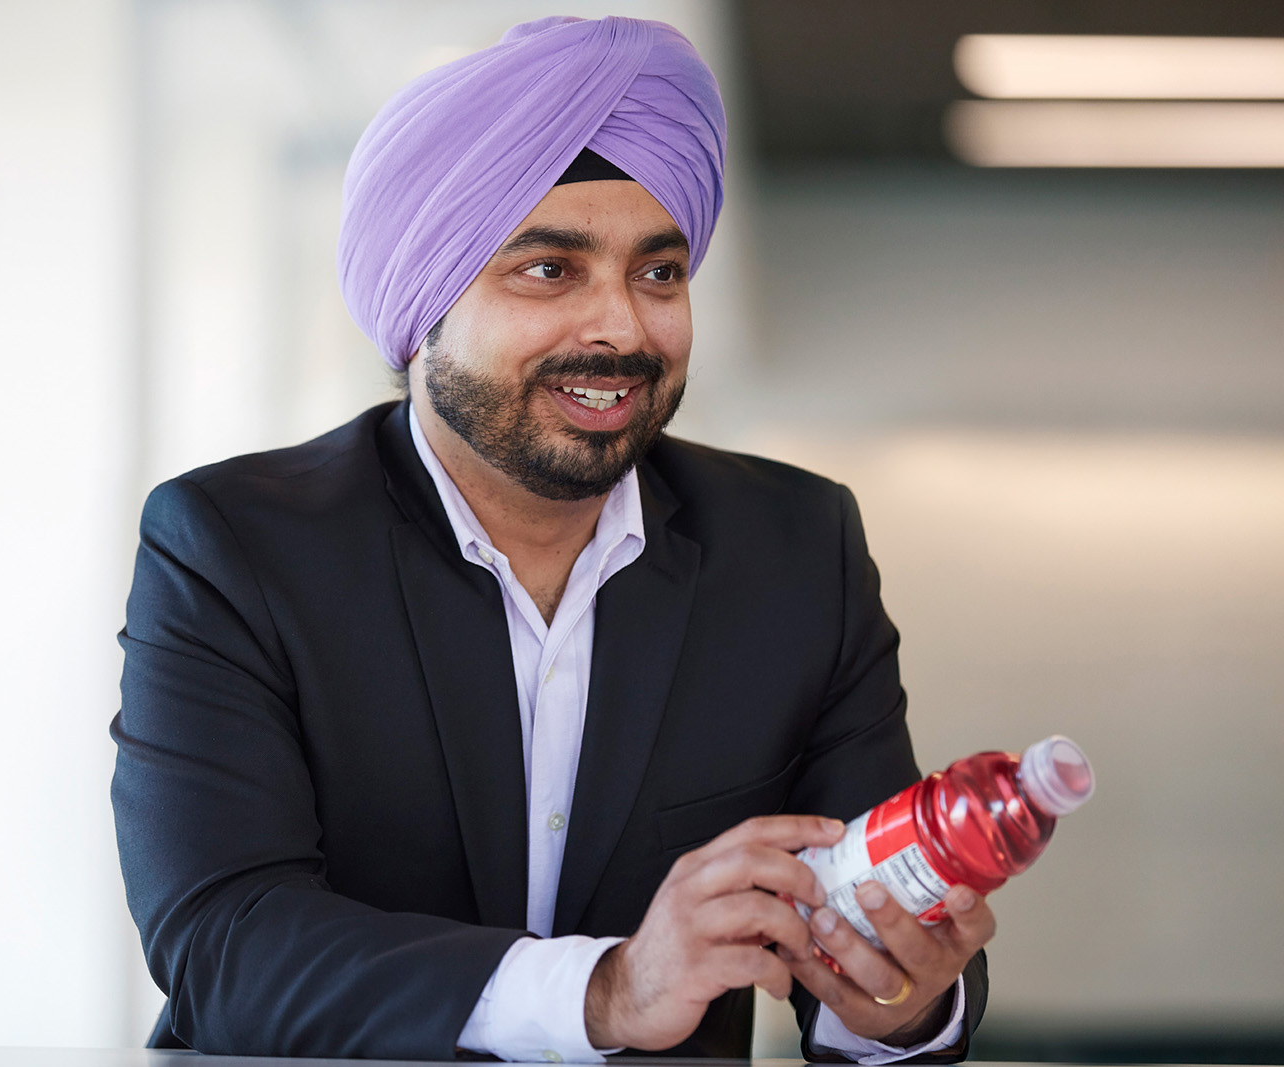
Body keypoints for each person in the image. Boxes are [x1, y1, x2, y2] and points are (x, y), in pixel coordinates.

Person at [111, 15, 992, 1063]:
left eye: (658, 274)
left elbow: (870, 926)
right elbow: (224, 942)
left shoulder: (796, 548)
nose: (620, 327)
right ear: (424, 297)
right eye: (548, 270)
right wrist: (607, 989)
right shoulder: (235, 546)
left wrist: (892, 994)